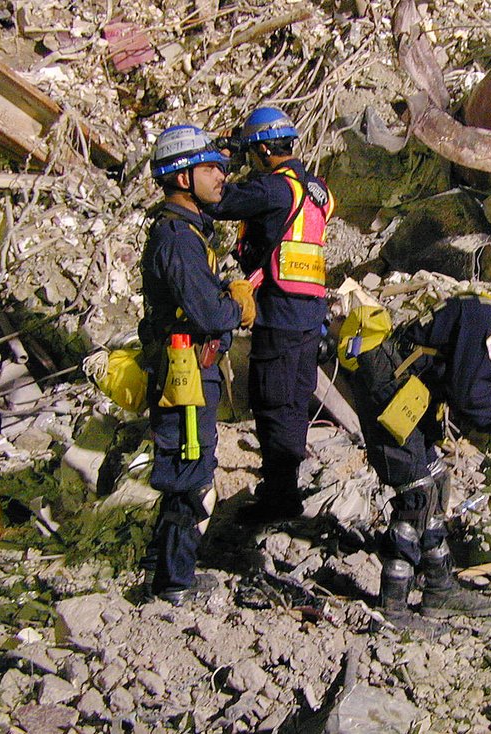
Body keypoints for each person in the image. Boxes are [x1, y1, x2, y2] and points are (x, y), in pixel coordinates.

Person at [342, 288, 491, 618]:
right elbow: (468, 397)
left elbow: (462, 381)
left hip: (408, 389)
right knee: (417, 494)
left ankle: (439, 590)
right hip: (389, 388)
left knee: (436, 480)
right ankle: (394, 608)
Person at [139, 124, 257, 605]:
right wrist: (236, 305)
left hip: (192, 370)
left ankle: (164, 570)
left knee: (189, 468)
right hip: (185, 376)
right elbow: (207, 312)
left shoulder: (187, 232)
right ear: (182, 178)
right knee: (190, 472)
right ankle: (174, 585)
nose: (221, 178)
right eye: (211, 168)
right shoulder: (179, 239)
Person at [206, 106, 335, 525]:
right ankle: (287, 487)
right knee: (295, 401)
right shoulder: (318, 190)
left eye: (250, 153)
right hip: (310, 311)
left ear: (262, 149)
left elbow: (218, 200)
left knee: (273, 401)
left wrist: (218, 161)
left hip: (279, 312)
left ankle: (279, 497)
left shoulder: (274, 189)